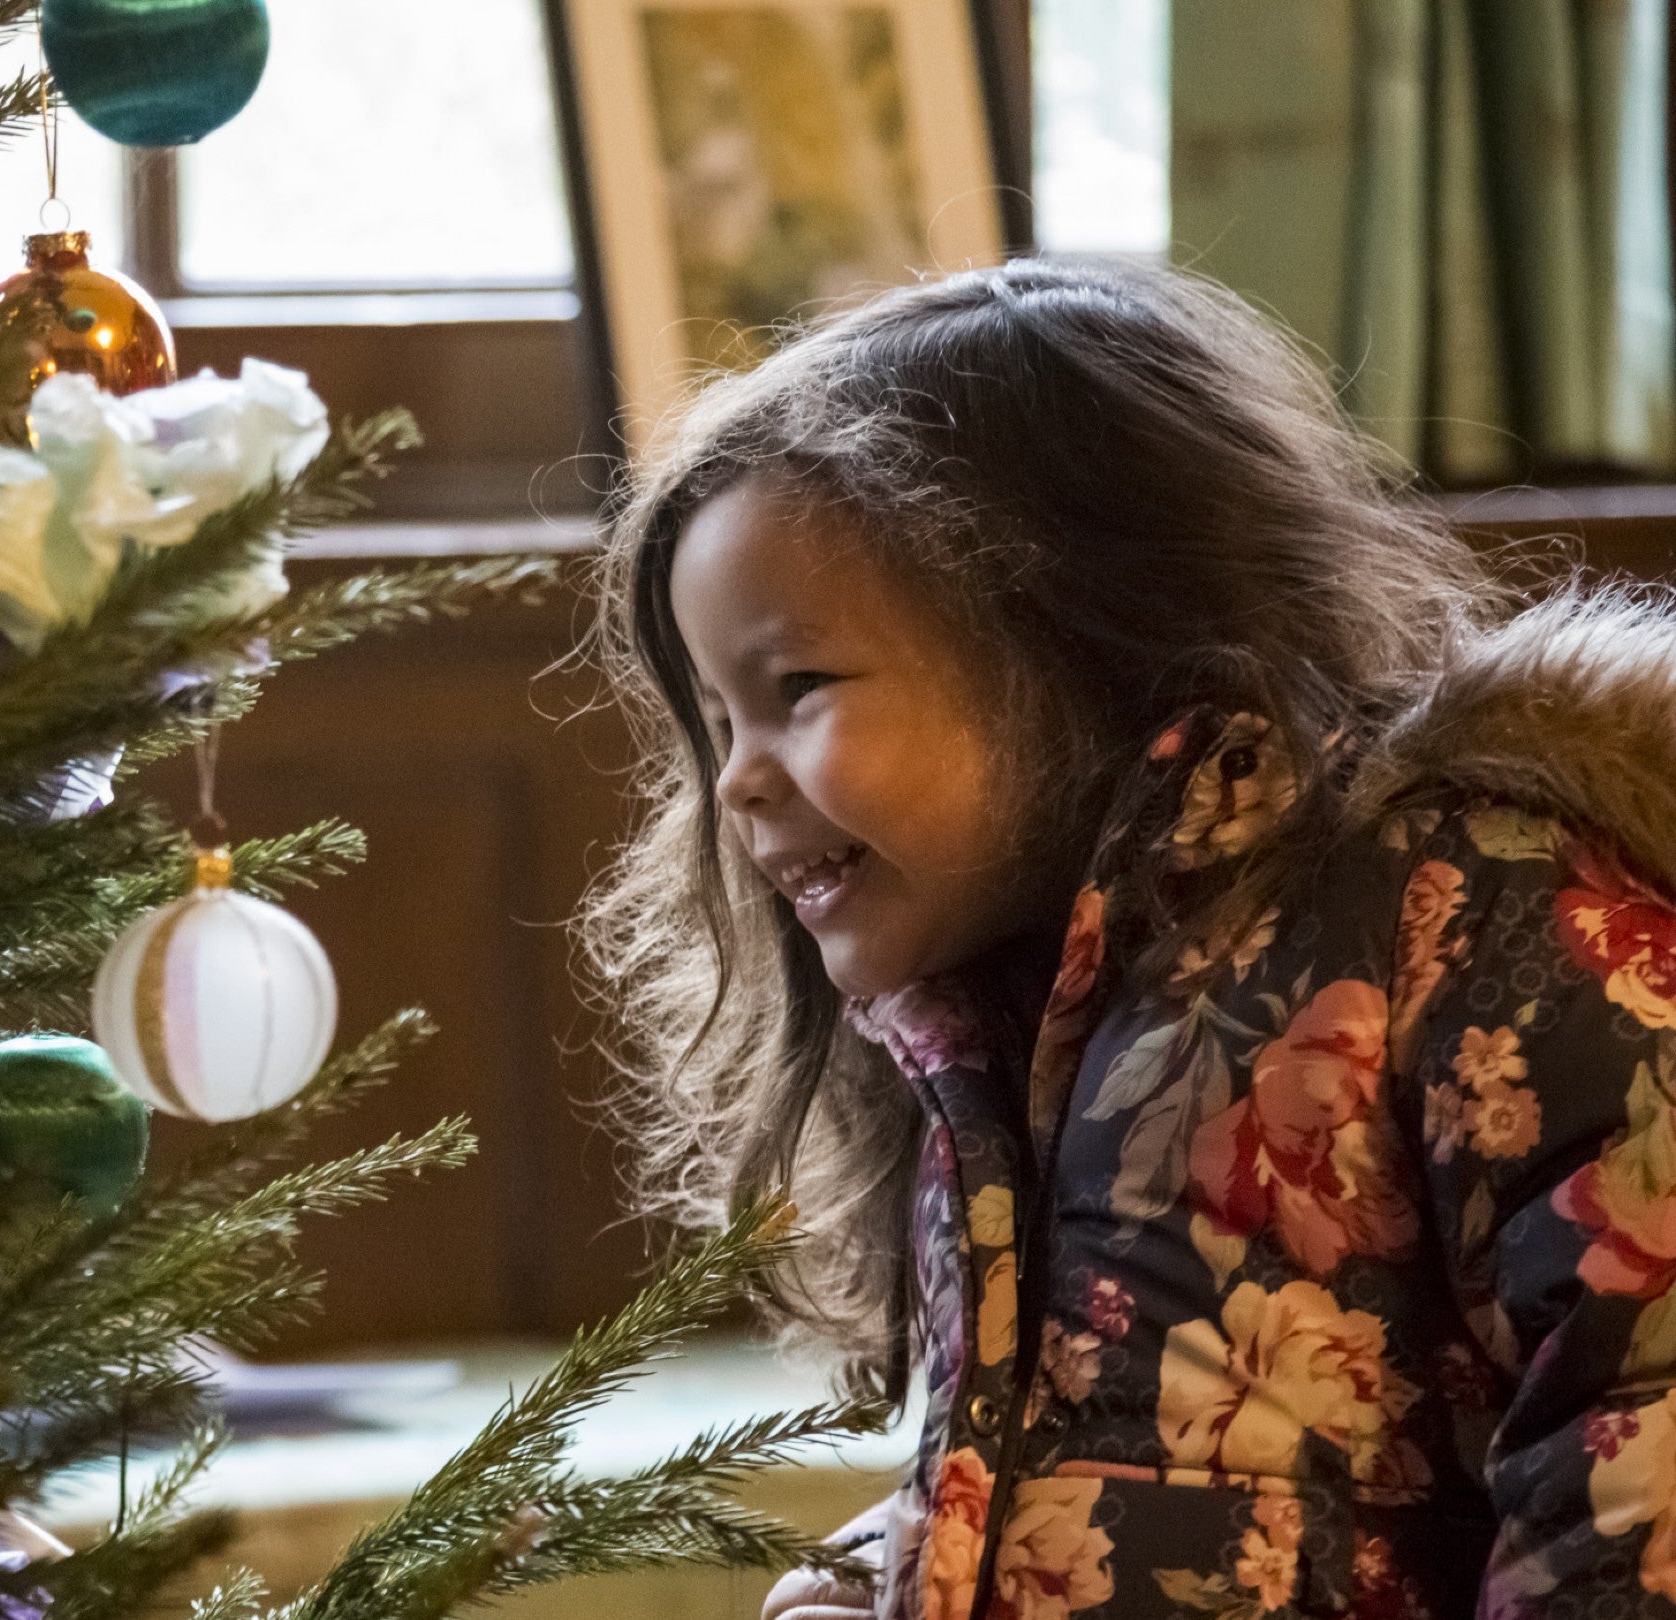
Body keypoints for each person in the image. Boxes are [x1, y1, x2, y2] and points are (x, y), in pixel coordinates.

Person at [582, 257, 1676, 1617]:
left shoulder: (1474, 914)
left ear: (1070, 639)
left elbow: (1638, 1469)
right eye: (719, 716)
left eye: (798, 686)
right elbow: (1109, 1467)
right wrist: (882, 1580)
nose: (737, 778)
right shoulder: (1001, 1031)